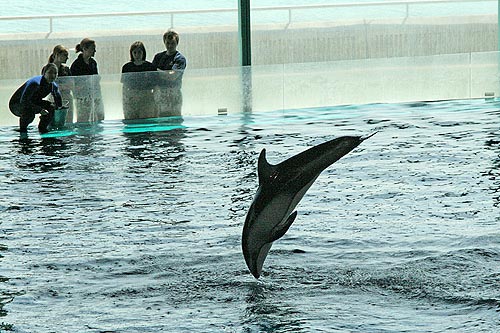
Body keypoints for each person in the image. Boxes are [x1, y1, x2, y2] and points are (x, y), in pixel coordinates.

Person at [9, 63, 64, 134]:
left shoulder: (53, 86)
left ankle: (42, 129)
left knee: (51, 107)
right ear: (44, 73)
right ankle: (23, 131)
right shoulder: (35, 83)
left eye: (55, 73)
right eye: (50, 72)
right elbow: (24, 101)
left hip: (32, 102)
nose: (53, 75)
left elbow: (58, 98)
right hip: (17, 104)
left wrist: (60, 107)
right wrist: (39, 110)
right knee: (30, 113)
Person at [152, 30, 187, 117]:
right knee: (159, 119)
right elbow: (151, 75)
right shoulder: (158, 57)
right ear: (164, 42)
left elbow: (172, 76)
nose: (170, 46)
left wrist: (157, 71)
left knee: (174, 120)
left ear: (177, 43)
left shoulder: (179, 59)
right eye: (168, 43)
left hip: (173, 93)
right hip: (160, 93)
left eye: (173, 43)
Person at [70, 38, 105, 122]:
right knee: (83, 118)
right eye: (93, 48)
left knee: (99, 116)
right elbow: (73, 82)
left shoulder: (93, 62)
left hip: (94, 94)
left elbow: (95, 79)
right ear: (85, 49)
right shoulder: (76, 64)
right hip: (82, 97)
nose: (95, 51)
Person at [121, 41, 157, 119]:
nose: (137, 55)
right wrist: (125, 101)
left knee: (146, 121)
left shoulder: (150, 66)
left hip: (147, 97)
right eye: (135, 52)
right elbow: (124, 86)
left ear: (143, 53)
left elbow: (155, 85)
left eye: (139, 52)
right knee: (132, 121)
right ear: (131, 53)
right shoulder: (127, 67)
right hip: (132, 98)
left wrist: (154, 99)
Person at [47, 45, 73, 127]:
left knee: (68, 121)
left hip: (67, 97)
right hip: (53, 97)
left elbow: (72, 84)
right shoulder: (48, 68)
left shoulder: (66, 69)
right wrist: (61, 86)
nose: (67, 58)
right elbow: (46, 84)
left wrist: (61, 86)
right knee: (54, 121)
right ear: (57, 55)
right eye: (65, 55)